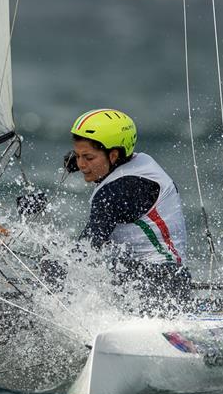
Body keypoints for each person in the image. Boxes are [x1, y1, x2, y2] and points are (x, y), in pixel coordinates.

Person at [66, 108, 192, 314]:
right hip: (153, 277)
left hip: (161, 284)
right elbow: (89, 160)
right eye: (77, 156)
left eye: (88, 158)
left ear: (113, 155)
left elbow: (88, 247)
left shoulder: (119, 191)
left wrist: (58, 269)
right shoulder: (137, 163)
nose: (81, 165)